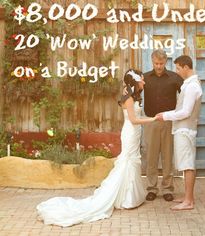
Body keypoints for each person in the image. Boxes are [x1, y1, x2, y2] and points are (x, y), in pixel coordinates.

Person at [36, 69, 158, 227]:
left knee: (132, 160)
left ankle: (130, 196)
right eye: (142, 80)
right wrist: (152, 120)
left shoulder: (133, 96)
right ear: (135, 81)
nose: (144, 82)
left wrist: (150, 119)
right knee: (127, 161)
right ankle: (125, 198)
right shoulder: (127, 98)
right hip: (130, 132)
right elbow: (134, 120)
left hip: (135, 134)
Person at [157, 55, 202, 210]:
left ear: (186, 67)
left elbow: (185, 112)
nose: (177, 71)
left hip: (185, 130)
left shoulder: (192, 86)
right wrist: (165, 113)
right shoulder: (189, 84)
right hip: (183, 129)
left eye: (178, 68)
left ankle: (188, 201)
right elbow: (181, 110)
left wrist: (166, 116)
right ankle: (188, 197)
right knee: (186, 164)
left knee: (187, 165)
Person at [144, 49, 183, 202]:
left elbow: (186, 96)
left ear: (165, 62)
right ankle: (152, 188)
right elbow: (132, 94)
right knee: (151, 156)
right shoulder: (145, 77)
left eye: (161, 63)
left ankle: (167, 189)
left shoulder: (175, 78)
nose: (159, 66)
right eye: (156, 63)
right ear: (152, 61)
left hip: (168, 122)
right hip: (151, 121)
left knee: (167, 156)